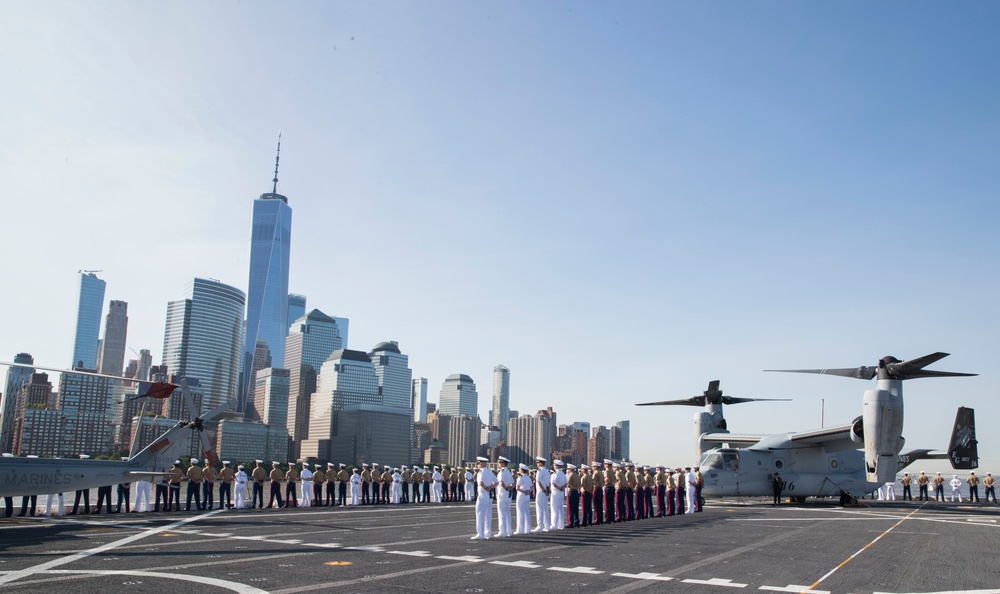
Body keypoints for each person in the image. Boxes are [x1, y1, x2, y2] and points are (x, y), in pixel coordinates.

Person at [472, 457, 497, 539]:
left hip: (483, 495)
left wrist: (486, 488)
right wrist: (490, 487)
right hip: (489, 495)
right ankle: (488, 533)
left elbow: (481, 483)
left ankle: (480, 533)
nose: (478, 465)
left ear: (481, 464)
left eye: (478, 464)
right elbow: (496, 482)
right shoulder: (489, 472)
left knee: (480, 514)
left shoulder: (481, 472)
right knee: (488, 515)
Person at [495, 456, 514, 537]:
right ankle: (509, 531)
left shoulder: (501, 472)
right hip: (508, 494)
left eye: (499, 462)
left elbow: (501, 482)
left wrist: (506, 488)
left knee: (502, 513)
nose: (498, 464)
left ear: (503, 463)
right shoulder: (508, 472)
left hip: (502, 494)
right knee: (507, 512)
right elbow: (513, 484)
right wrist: (509, 488)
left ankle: (502, 531)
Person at [532, 457, 551, 533]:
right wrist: (547, 491)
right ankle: (547, 526)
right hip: (546, 491)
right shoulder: (546, 471)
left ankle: (540, 526)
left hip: (541, 491)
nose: (537, 464)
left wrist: (543, 490)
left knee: (539, 509)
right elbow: (548, 483)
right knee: (545, 508)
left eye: (537, 463)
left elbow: (539, 482)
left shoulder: (539, 471)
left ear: (540, 463)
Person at [515, 463, 533, 535]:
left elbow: (517, 488)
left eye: (519, 469)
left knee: (520, 512)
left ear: (522, 470)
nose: (519, 470)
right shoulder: (528, 478)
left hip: (521, 495)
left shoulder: (521, 478)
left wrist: (524, 491)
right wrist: (528, 491)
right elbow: (531, 487)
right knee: (526, 512)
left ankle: (520, 529)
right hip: (527, 496)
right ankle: (528, 529)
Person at [566, 464, 581, 528]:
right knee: (575, 508)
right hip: (576, 492)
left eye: (568, 469)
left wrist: (573, 488)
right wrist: (576, 488)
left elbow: (568, 484)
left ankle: (571, 522)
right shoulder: (577, 475)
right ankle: (576, 521)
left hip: (571, 491)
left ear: (570, 469)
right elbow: (579, 484)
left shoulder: (570, 475)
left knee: (570, 508)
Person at [591, 460, 605, 525]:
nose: (592, 467)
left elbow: (593, 481)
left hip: (596, 489)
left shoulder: (595, 473)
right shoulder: (601, 473)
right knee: (600, 505)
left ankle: (596, 519)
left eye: (593, 466)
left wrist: (596, 485)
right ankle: (600, 519)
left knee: (596, 505)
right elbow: (603, 482)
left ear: (596, 467)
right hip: (600, 489)